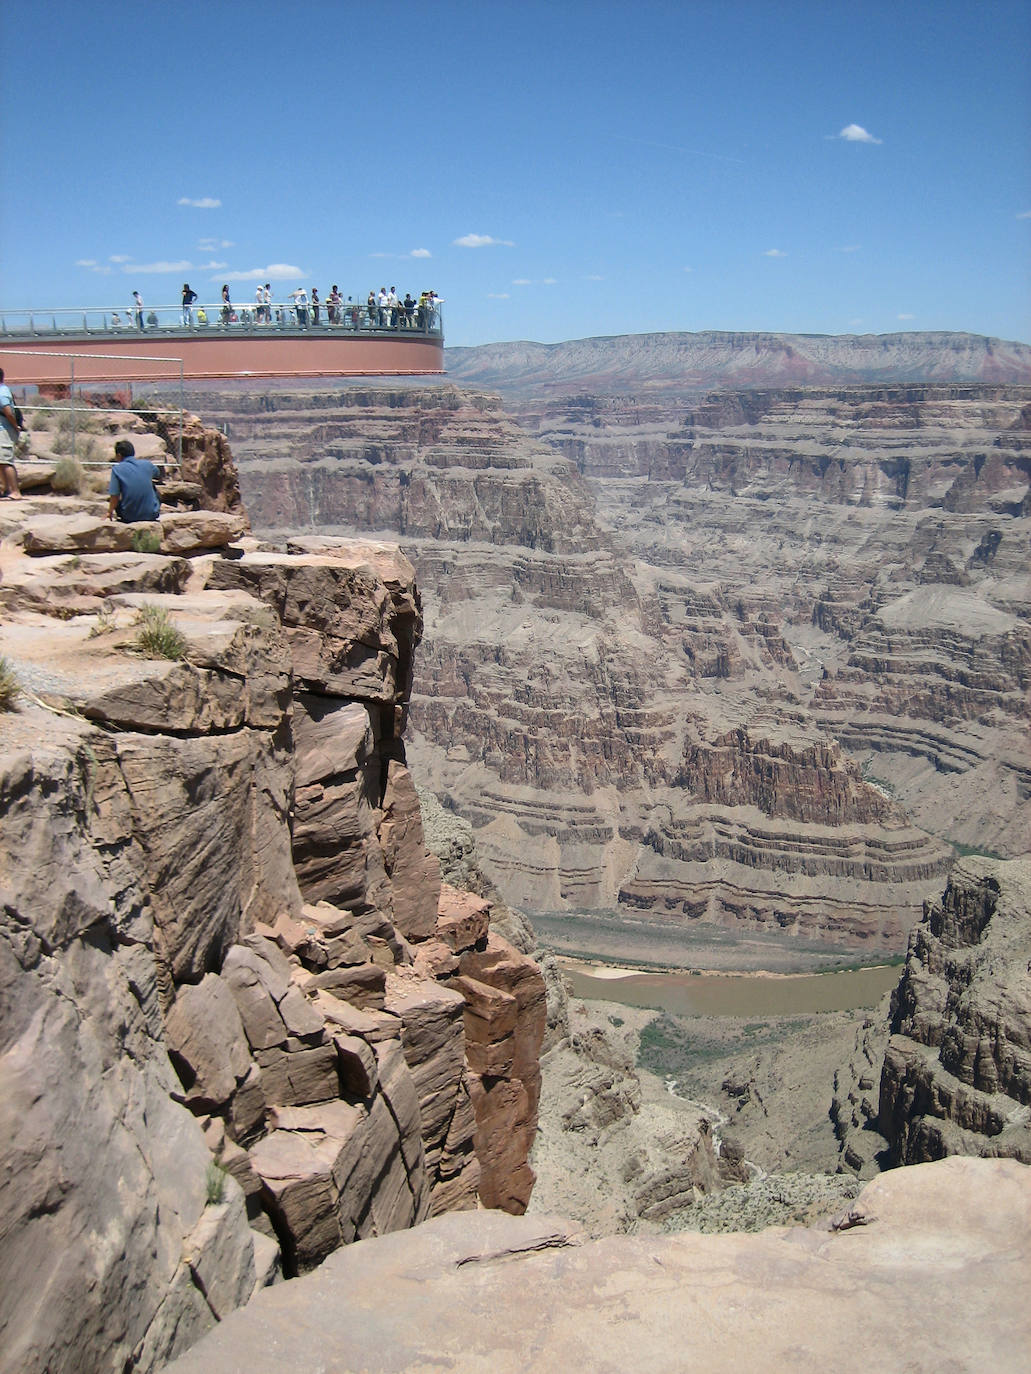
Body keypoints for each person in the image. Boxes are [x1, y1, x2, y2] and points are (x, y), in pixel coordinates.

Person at [106, 438, 162, 523]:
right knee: (153, 488)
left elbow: (114, 496)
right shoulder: (147, 464)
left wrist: (109, 512)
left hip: (129, 516)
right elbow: (157, 473)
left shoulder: (117, 469)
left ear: (119, 455)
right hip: (152, 514)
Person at [0, 368, 24, 499]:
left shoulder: (2, 393)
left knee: (5, 461)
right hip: (2, 430)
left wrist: (15, 426)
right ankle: (4, 489)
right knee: (1, 462)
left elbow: (8, 412)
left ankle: (15, 491)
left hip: (4, 431)